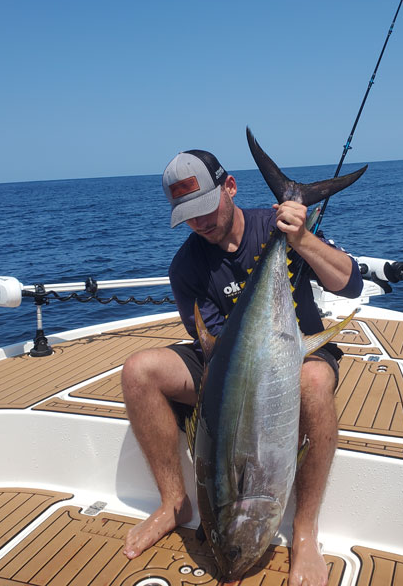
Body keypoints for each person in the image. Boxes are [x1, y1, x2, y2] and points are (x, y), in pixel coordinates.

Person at [121, 148, 362, 586]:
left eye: (205, 209)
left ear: (229, 187)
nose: (200, 223)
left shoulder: (279, 226)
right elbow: (214, 344)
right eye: (188, 216)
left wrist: (302, 239)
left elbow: (351, 283)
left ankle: (304, 532)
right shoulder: (186, 267)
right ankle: (174, 502)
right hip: (229, 359)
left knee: (309, 381)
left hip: (298, 348)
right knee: (139, 371)